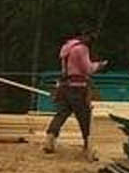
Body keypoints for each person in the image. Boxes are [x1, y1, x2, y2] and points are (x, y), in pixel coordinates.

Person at [43, 28, 105, 160]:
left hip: (65, 86)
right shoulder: (82, 49)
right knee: (85, 116)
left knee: (61, 114)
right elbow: (87, 69)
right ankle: (88, 143)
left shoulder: (67, 47)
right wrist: (98, 66)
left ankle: (50, 138)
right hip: (78, 87)